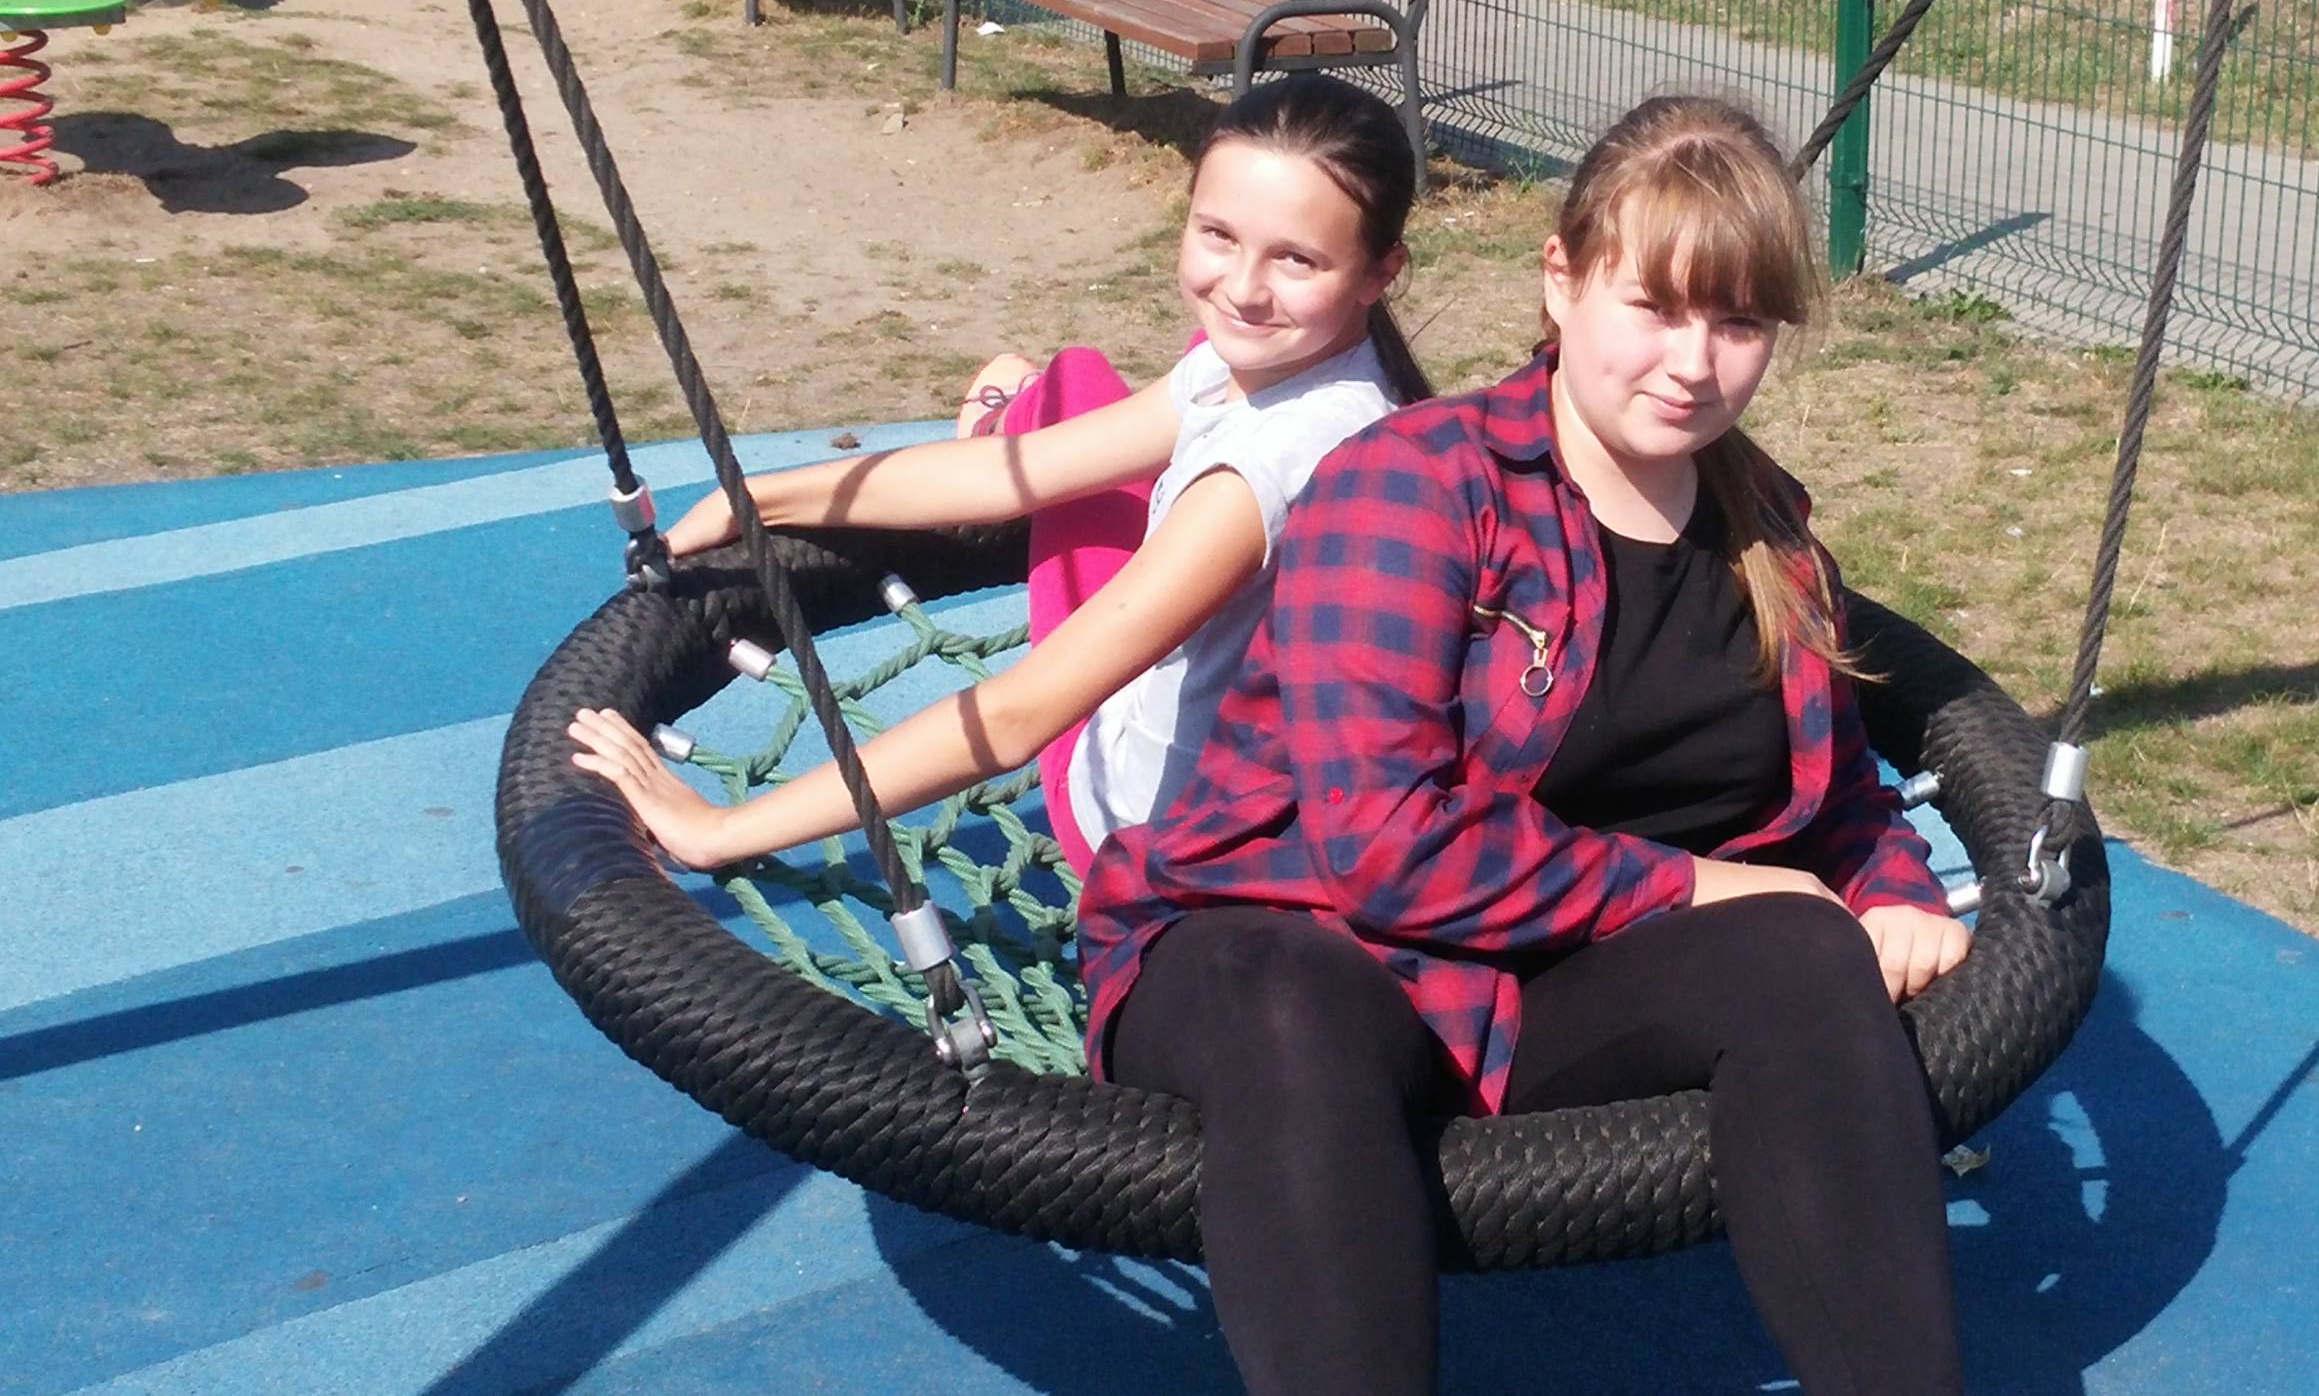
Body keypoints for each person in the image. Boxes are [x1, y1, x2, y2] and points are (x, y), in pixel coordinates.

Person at [1079, 95, 1972, 1395]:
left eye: (1736, 323)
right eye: (1653, 307)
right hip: (1284, 934)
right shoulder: (1413, 485)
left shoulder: (1771, 540)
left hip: (1540, 986)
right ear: (1562, 280)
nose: (1693, 363)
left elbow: (1834, 803)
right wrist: (1696, 883)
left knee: (1801, 948)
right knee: (1297, 997)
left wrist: (1891, 892)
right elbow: (1382, 846)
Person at [566, 74, 1431, 866]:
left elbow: (1018, 719)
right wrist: (762, 497)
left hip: (1139, 830)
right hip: (1237, 773)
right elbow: (1015, 477)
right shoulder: (1297, 371)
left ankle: (1016, 398)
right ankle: (1016, 401)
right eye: (1218, 235)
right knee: (1078, 407)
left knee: (1067, 389)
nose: (1243, 287)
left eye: (1296, 259)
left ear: (1380, 271)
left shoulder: (1260, 473)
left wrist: (723, 829)